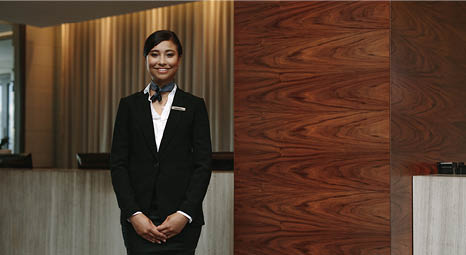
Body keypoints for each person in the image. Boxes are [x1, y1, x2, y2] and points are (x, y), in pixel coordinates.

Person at [110, 30, 212, 255]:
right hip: (139, 223)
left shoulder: (194, 105)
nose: (162, 61)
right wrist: (134, 215)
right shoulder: (128, 105)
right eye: (155, 54)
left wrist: (184, 214)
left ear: (179, 59)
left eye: (169, 54)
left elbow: (203, 165)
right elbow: (118, 164)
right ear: (146, 58)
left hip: (181, 223)